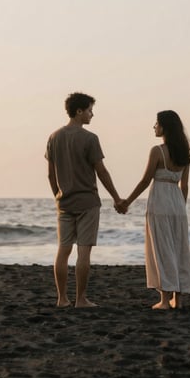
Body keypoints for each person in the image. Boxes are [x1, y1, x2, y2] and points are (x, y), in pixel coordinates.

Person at [45, 92, 125, 308]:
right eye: (90, 110)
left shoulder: (54, 137)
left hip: (64, 202)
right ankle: (80, 299)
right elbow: (101, 171)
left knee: (63, 250)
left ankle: (62, 298)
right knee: (83, 251)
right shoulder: (90, 138)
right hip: (87, 202)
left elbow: (51, 175)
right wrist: (117, 198)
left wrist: (58, 197)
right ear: (79, 111)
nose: (92, 114)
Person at [119, 110, 190, 309]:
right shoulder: (184, 153)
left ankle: (163, 301)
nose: (154, 127)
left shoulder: (157, 151)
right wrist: (181, 208)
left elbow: (145, 180)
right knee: (179, 250)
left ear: (164, 127)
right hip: (177, 204)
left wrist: (127, 202)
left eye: (156, 124)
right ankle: (178, 299)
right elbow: (184, 186)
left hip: (160, 201)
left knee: (162, 250)